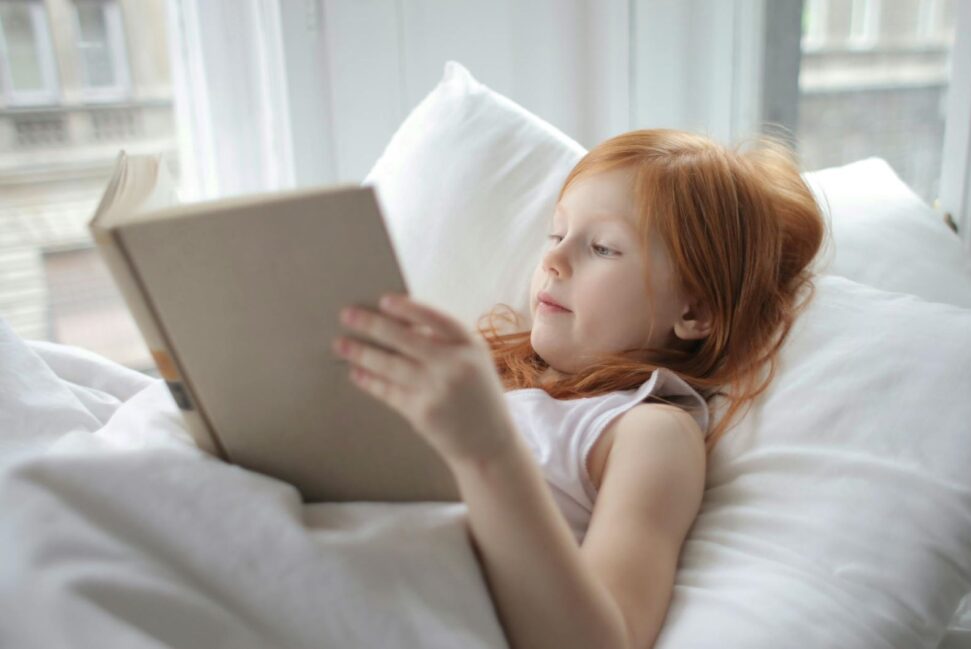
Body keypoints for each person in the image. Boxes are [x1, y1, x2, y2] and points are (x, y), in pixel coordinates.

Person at [330, 129, 826, 649]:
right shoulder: (488, 374)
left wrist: (486, 448)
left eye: (603, 248)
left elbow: (606, 640)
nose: (554, 260)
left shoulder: (648, 430)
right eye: (556, 233)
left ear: (694, 310)